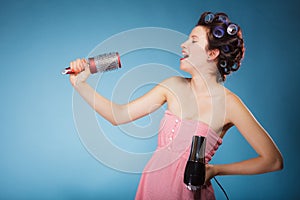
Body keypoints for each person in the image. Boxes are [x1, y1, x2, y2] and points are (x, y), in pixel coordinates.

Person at [68, 12, 283, 200]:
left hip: (190, 192)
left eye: (193, 41)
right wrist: (81, 84)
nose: (183, 44)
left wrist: (215, 170)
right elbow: (119, 115)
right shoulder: (171, 86)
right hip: (152, 187)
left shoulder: (230, 104)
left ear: (212, 53)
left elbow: (272, 160)